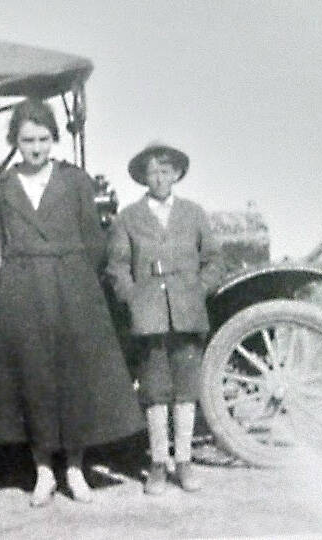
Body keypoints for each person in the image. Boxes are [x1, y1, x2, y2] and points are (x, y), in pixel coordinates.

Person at [0, 99, 145, 507]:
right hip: (23, 289)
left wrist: (75, 280)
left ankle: (74, 469)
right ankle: (43, 471)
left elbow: (94, 242)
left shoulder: (76, 182)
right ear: (14, 142)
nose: (36, 148)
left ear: (54, 139)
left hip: (72, 288)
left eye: (42, 139)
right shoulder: (2, 188)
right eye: (26, 141)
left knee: (74, 377)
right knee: (33, 377)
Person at [106, 142, 224, 495]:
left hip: (187, 314)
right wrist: (134, 298)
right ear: (143, 176)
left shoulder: (193, 213)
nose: (158, 177)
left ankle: (184, 463)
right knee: (156, 391)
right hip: (149, 318)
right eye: (152, 171)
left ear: (176, 174)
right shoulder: (128, 217)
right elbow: (117, 268)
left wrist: (196, 290)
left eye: (165, 170)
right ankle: (158, 464)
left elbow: (214, 260)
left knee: (186, 390)